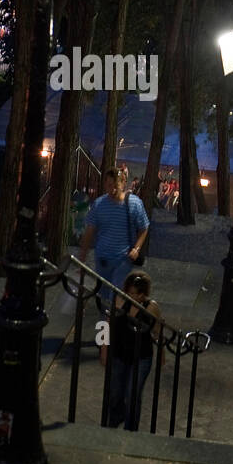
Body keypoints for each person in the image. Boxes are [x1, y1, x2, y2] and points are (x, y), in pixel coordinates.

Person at [80, 167, 149, 365]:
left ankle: (106, 342)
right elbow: (90, 231)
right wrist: (83, 256)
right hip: (103, 260)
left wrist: (136, 248)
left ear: (123, 183)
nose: (111, 188)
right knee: (105, 300)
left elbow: (144, 227)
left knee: (112, 301)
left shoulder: (133, 204)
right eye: (108, 184)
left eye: (115, 184)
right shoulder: (100, 205)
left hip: (122, 261)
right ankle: (105, 339)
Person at [107, 271, 163, 430]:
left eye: (137, 294)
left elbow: (158, 331)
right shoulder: (119, 300)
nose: (133, 297)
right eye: (130, 293)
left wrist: (161, 353)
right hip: (120, 354)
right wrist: (104, 349)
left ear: (143, 294)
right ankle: (117, 416)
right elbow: (106, 324)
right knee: (115, 392)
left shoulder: (151, 307)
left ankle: (131, 428)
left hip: (141, 356)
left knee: (132, 394)